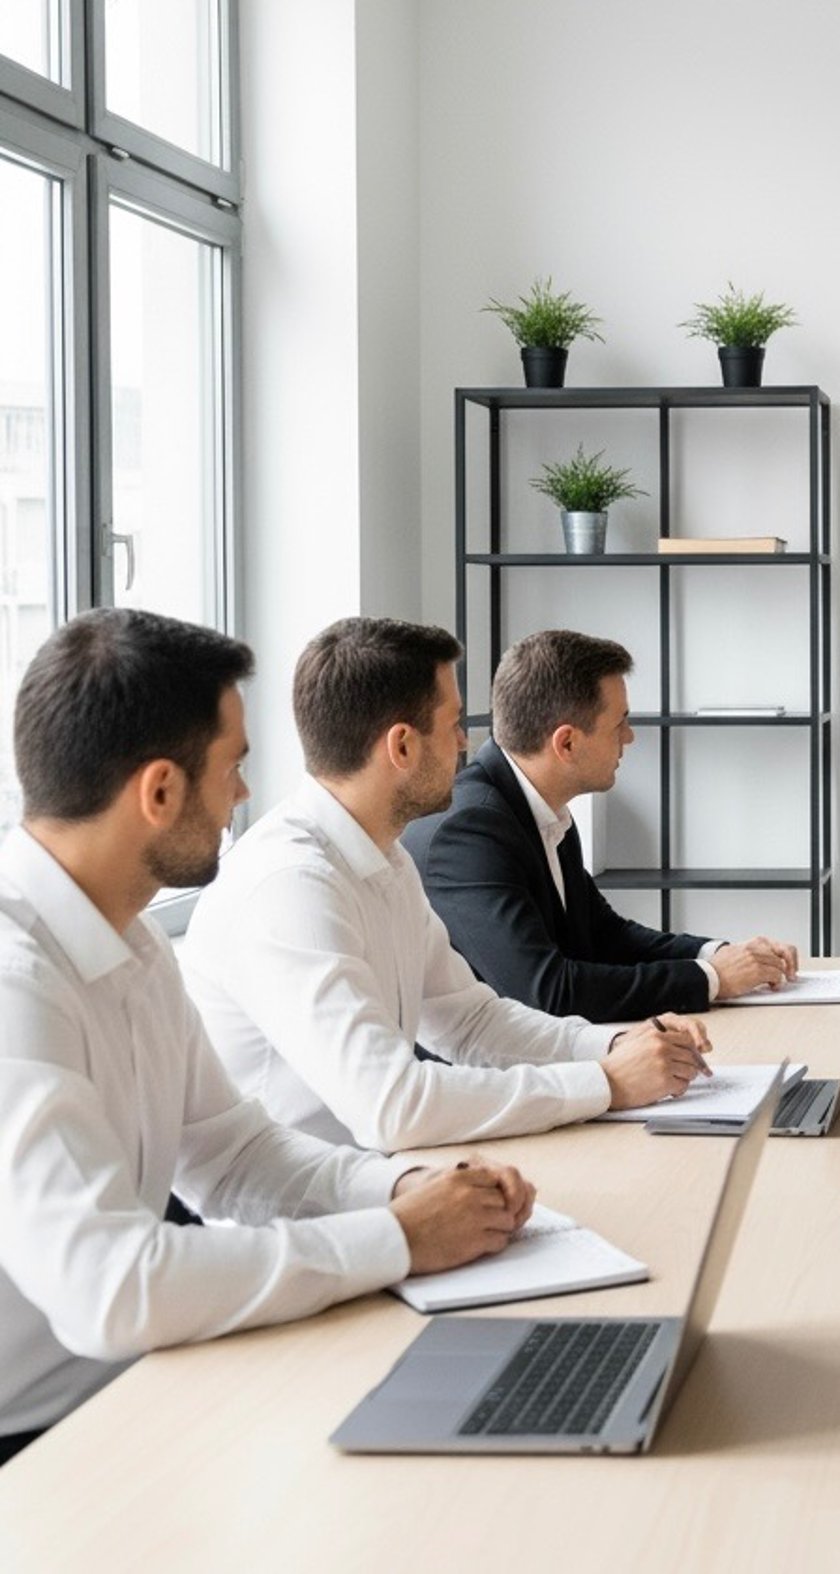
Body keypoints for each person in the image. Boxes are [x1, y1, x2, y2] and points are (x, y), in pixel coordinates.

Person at [0, 611, 532, 1467]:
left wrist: (408, 1187)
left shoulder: (131, 939)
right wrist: (397, 1238)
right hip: (40, 1445)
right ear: (160, 792)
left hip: (139, 1388)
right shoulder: (15, 981)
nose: (243, 795)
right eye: (232, 766)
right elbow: (112, 1290)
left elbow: (233, 1154)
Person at [182, 618, 711, 1155]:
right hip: (307, 1218)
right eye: (454, 724)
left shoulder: (383, 859)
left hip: (379, 1181)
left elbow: (471, 1023)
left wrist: (617, 1043)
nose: (465, 742)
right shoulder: (291, 887)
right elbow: (393, 1106)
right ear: (403, 746)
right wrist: (608, 1082)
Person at [406, 629, 799, 1022]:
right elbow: (547, 991)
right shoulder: (468, 832)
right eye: (619, 724)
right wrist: (712, 979)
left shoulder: (546, 811)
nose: (629, 737)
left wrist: (720, 955)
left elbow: (606, 935)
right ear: (567, 744)